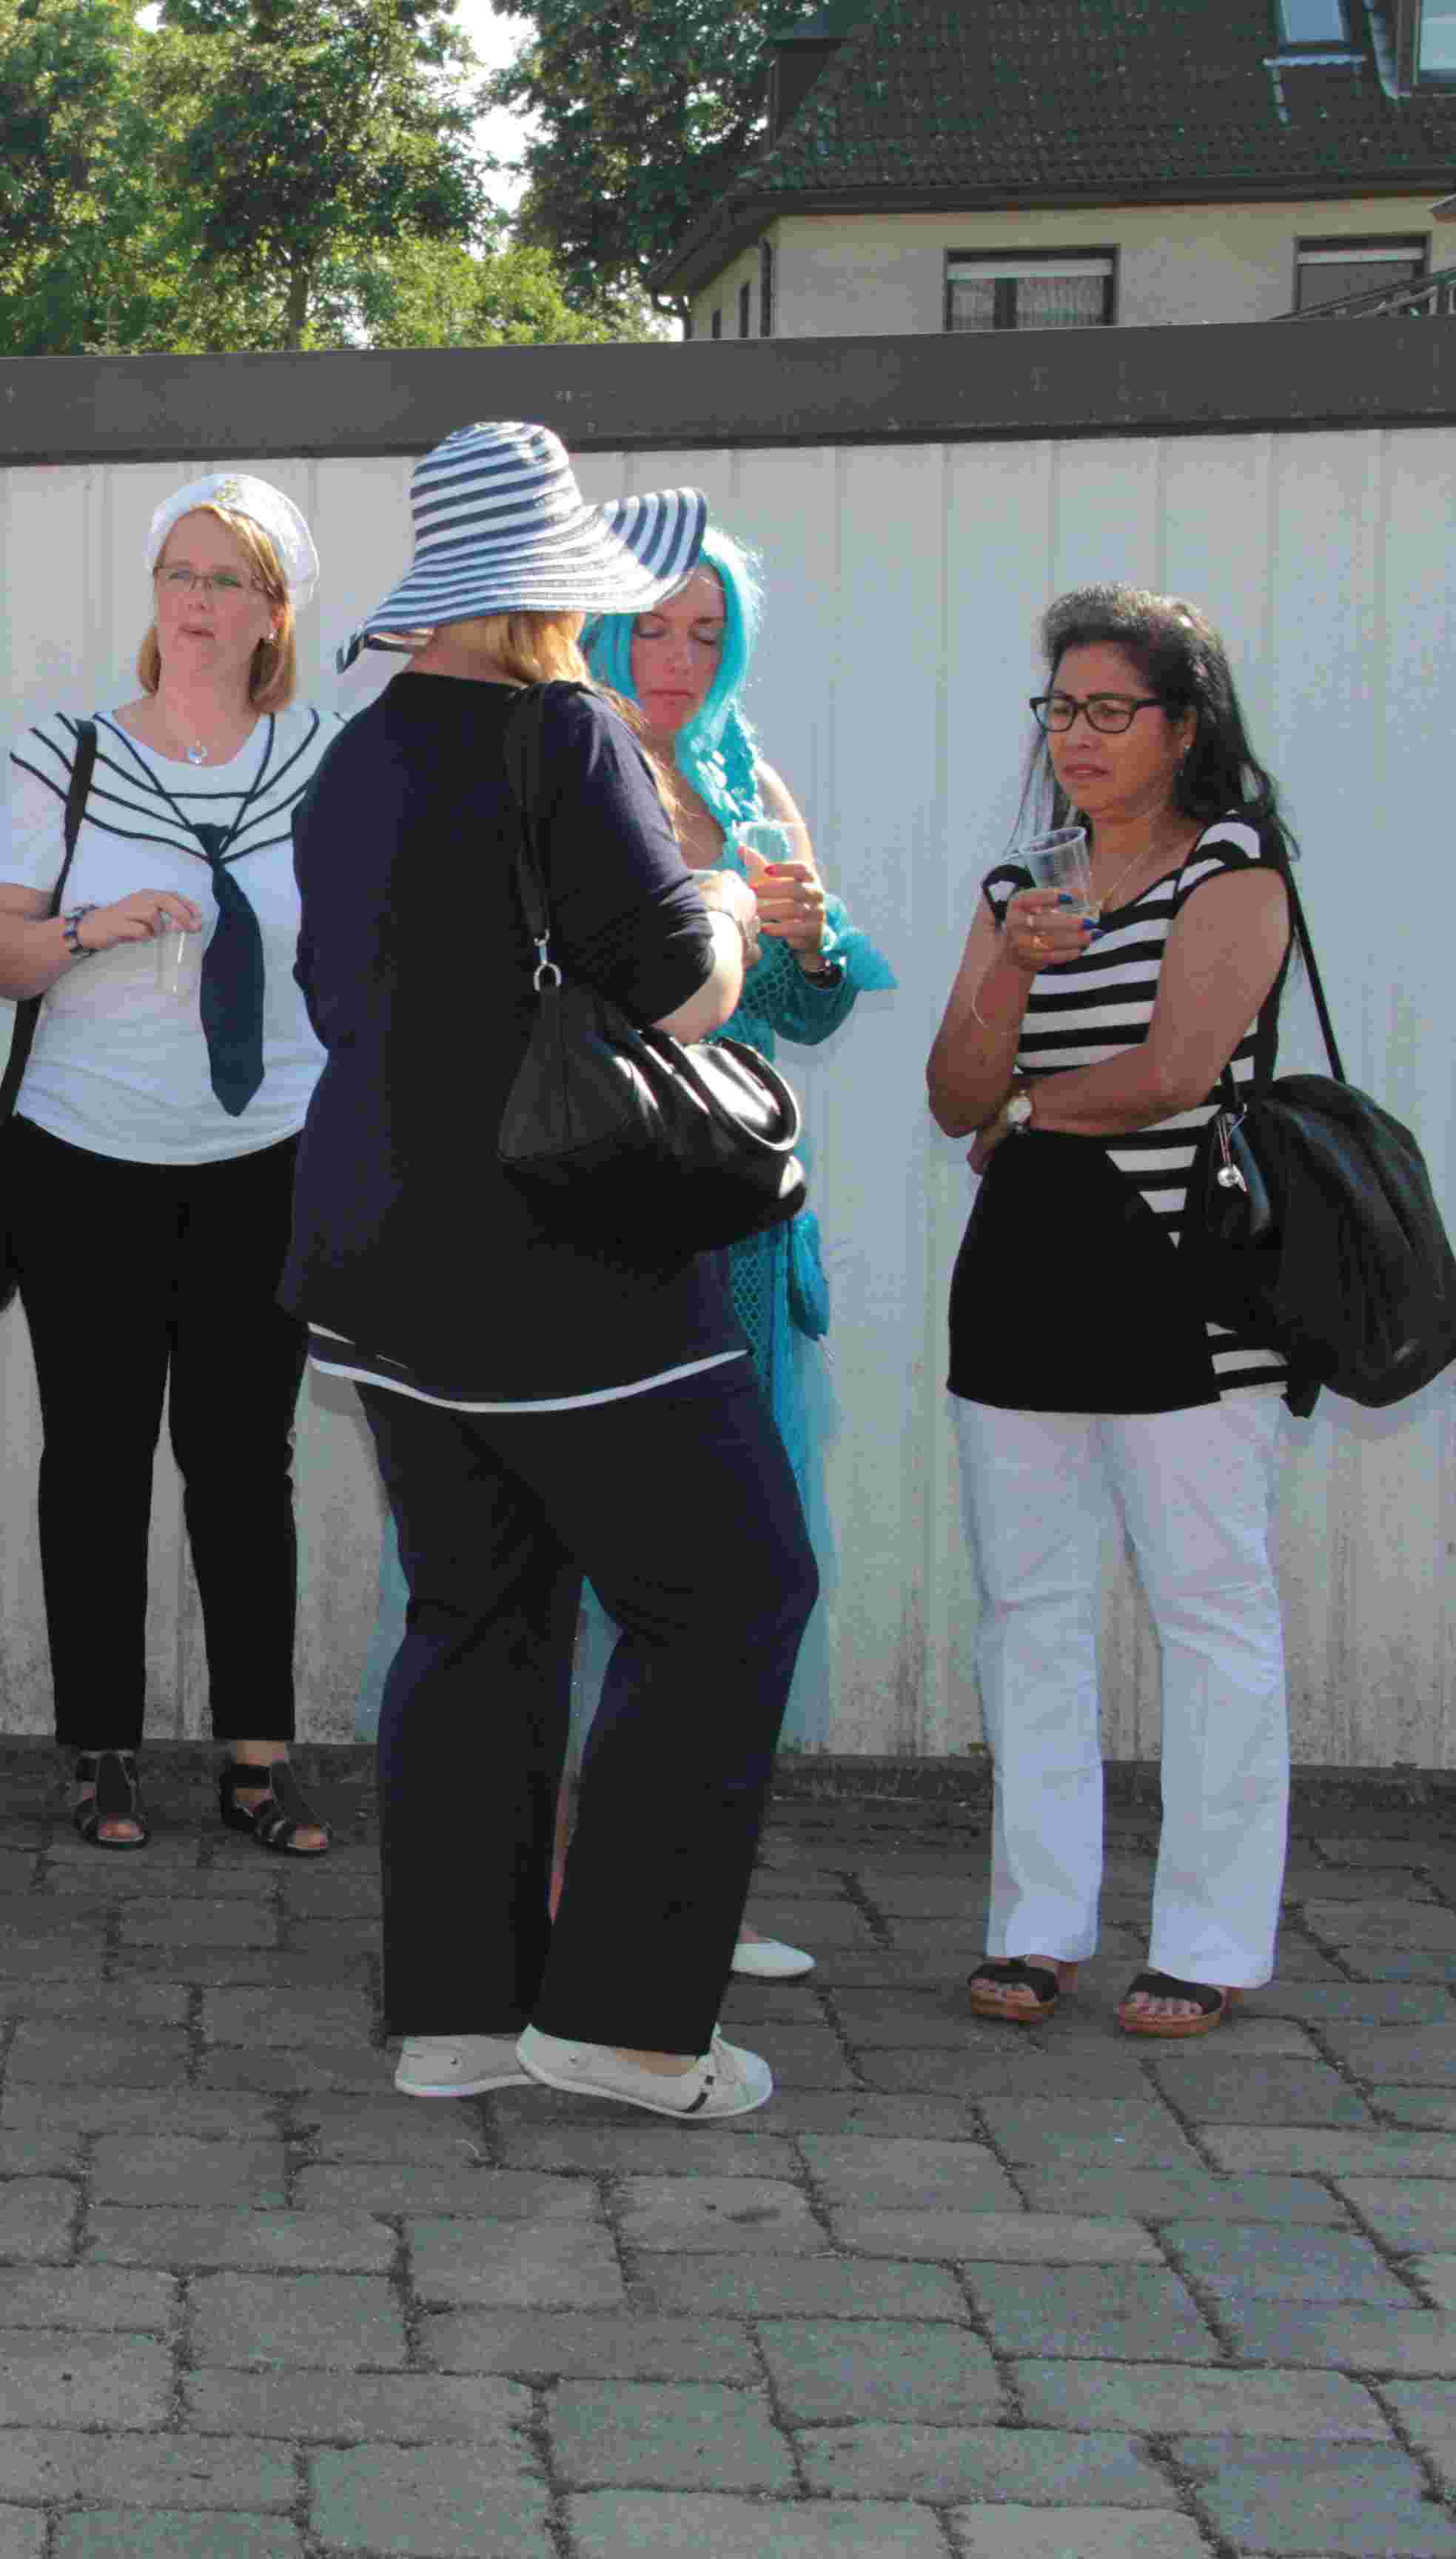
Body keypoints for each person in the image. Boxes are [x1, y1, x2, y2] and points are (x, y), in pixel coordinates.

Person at [290, 422, 812, 2123]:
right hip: (562, 1258)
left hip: (381, 1255)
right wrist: (728, 901)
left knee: (474, 1613)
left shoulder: (357, 754)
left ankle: (459, 2017)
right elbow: (675, 987)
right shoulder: (563, 729)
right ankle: (630, 2027)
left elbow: (337, 998)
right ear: (554, 593)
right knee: (731, 1595)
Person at [922, 584, 1296, 2043]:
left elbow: (1177, 1070)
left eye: (1110, 711)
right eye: (1060, 710)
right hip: (1024, 1273)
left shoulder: (1235, 868)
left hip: (1184, 1276)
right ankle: (1038, 1927)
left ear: (1183, 727)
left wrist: (1023, 1111)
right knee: (1029, 1613)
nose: (1076, 736)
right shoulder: (1021, 887)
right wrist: (1014, 971)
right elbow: (950, 1093)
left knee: (1209, 1609)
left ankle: (1209, 1940)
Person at [0, 474, 338, 1857]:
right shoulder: (67, 757)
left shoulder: (324, 761)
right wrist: (89, 928)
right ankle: (100, 1754)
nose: (196, 602)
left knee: (245, 1461)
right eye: (180, 573)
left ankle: (258, 1759)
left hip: (268, 1156)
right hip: (86, 1157)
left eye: (228, 581)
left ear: (273, 613)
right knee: (98, 1457)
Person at [544, 533, 901, 1979]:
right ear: (600, 632)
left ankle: (680, 1884)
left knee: (728, 1570)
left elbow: (808, 1014)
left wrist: (808, 942)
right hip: (600, 1212)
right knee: (585, 1568)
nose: (680, 660)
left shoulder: (748, 778)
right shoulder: (566, 763)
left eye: (708, 632)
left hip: (738, 1217)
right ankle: (555, 1885)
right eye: (654, 629)